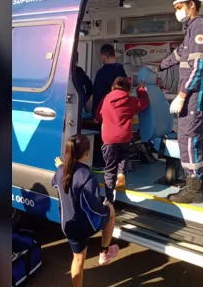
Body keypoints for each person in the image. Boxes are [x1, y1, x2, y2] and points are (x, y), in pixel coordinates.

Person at [151, 0, 203, 204]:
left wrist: (181, 95)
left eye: (179, 7)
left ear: (191, 5)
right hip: (195, 93)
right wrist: (160, 66)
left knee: (187, 139)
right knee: (196, 140)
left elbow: (198, 67)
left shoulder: (199, 26)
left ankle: (193, 188)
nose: (177, 12)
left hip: (193, 94)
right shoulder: (191, 30)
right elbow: (179, 53)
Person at [51, 135, 119, 287]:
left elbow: (58, 180)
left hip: (68, 225)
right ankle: (104, 252)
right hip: (83, 226)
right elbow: (96, 209)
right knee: (111, 211)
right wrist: (106, 207)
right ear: (87, 154)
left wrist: (61, 166)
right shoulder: (87, 177)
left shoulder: (60, 171)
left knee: (78, 259)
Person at [94, 77, 150, 203]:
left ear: (113, 87)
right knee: (124, 156)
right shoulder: (130, 100)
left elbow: (98, 115)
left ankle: (108, 199)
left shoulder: (106, 99)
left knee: (109, 168)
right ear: (128, 90)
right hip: (124, 136)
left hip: (109, 138)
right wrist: (141, 89)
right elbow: (144, 103)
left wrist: (97, 120)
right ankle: (121, 175)